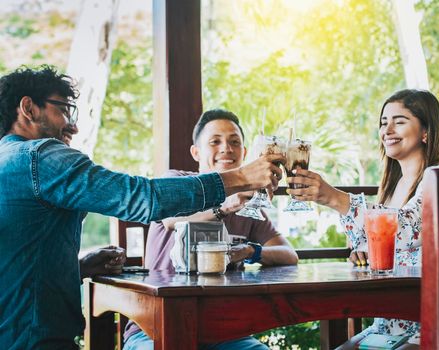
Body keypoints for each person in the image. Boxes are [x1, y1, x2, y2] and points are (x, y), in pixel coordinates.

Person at [0, 66, 284, 349]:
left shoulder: (9, 161)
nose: (73, 125)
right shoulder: (41, 157)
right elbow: (142, 199)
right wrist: (242, 177)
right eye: (65, 110)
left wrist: (78, 268)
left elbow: (19, 263)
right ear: (29, 108)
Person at [286, 89, 439, 346]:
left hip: (435, 324)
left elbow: (409, 229)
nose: (387, 130)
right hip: (387, 325)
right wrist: (362, 252)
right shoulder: (391, 187)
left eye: (400, 121)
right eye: (384, 123)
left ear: (426, 131)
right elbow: (370, 242)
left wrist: (334, 197)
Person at [123, 109, 298, 350]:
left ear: (245, 153)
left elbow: (289, 254)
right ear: (196, 152)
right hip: (154, 328)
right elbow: (172, 220)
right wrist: (226, 206)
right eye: (215, 142)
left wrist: (249, 251)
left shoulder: (249, 203)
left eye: (235, 142)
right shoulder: (177, 181)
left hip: (224, 332)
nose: (226, 148)